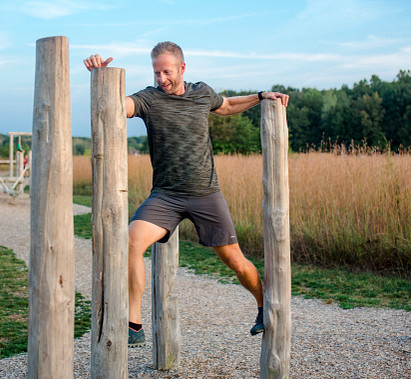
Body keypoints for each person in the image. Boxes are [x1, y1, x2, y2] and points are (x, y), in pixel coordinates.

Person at [84, 42, 289, 348]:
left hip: (205, 193)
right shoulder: (149, 99)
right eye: (156, 72)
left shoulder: (202, 93)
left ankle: (263, 306)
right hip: (165, 196)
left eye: (167, 71)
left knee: (234, 260)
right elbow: (119, 106)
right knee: (130, 243)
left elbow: (227, 106)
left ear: (182, 68)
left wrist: (260, 96)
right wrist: (100, 77)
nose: (161, 78)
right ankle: (134, 325)